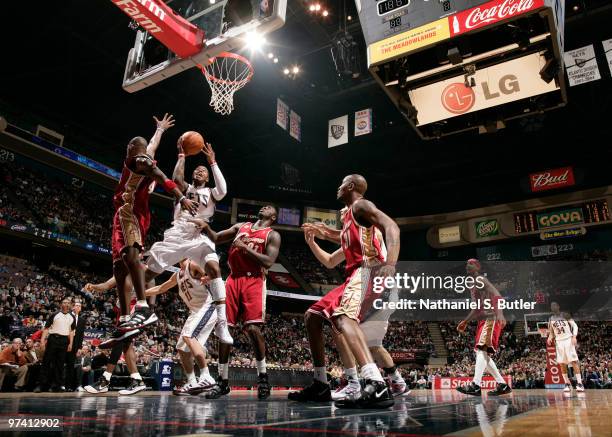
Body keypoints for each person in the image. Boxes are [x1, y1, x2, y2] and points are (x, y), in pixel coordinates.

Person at [288, 174, 399, 409]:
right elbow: (330, 261)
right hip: (353, 276)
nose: (337, 187)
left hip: (369, 271)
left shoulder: (361, 205)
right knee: (313, 316)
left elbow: (392, 226)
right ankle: (320, 383)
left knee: (343, 316)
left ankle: (376, 383)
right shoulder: (349, 221)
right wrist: (316, 239)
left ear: (350, 186)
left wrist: (391, 263)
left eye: (341, 184)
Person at [109, 113, 197, 336]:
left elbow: (162, 177)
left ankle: (142, 306)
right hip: (128, 214)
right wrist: (160, 130)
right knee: (119, 266)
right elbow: (152, 146)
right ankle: (126, 317)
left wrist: (181, 197)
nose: (127, 146)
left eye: (131, 144)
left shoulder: (138, 160)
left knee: (130, 257)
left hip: (130, 213)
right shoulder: (143, 157)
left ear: (133, 148)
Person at [302, 221, 409, 400]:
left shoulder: (367, 228)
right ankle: (395, 381)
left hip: (379, 285)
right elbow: (330, 261)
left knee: (345, 326)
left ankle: (357, 382)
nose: (345, 214)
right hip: (371, 287)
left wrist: (327, 232)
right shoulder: (352, 243)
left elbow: (368, 232)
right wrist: (313, 242)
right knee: (370, 342)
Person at [144, 140, 232, 345]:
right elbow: (175, 179)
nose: (200, 172)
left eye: (203, 171)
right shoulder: (185, 188)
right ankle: (136, 300)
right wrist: (182, 155)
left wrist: (212, 163)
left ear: (208, 177)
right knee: (150, 272)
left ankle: (222, 321)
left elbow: (224, 190)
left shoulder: (211, 192)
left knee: (213, 267)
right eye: (197, 170)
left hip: (199, 235)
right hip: (178, 234)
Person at [197, 205, 281, 400]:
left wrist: (244, 248)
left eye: (269, 207)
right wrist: (205, 227)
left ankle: (262, 378)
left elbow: (268, 261)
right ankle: (222, 381)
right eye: (264, 205)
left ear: (273, 216)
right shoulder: (240, 227)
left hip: (254, 280)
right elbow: (217, 238)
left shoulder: (272, 235)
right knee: (224, 328)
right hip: (233, 279)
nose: (264, 206)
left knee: (253, 329)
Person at [145, 258, 219, 396]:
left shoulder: (194, 264)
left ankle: (206, 376)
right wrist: (143, 293)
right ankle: (192, 381)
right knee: (181, 347)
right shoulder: (178, 274)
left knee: (189, 336)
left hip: (208, 306)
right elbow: (161, 288)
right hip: (195, 312)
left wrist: (208, 277)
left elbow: (215, 276)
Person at [456, 259, 512, 397]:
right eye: (466, 263)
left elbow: (497, 295)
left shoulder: (480, 279)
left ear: (477, 267)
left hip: (491, 318)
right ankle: (502, 384)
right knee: (483, 354)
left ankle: (476, 385)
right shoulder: (473, 285)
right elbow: (476, 309)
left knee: (481, 351)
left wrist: (500, 314)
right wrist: (465, 321)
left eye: (471, 263)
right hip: (483, 320)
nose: (467, 265)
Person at [34, 298, 76, 392]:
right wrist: (42, 341)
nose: (66, 304)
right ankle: (41, 385)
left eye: (68, 303)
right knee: (46, 362)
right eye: (64, 302)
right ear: (61, 304)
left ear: (70, 305)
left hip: (64, 341)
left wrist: (71, 344)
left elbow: (72, 331)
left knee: (60, 364)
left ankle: (57, 386)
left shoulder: (72, 317)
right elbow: (46, 328)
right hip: (53, 339)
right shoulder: (55, 314)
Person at [547, 301, 584, 392]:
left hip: (568, 339)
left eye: (555, 305)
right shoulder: (551, 319)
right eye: (551, 306)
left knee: (574, 361)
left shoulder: (565, 315)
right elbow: (551, 332)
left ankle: (580, 383)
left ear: (558, 306)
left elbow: (575, 326)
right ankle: (567, 383)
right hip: (559, 342)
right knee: (561, 363)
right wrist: (549, 337)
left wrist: (574, 336)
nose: (553, 307)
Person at [65, 299, 87, 391]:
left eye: (79, 306)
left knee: (71, 365)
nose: (78, 307)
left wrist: (79, 348)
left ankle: (69, 386)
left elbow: (81, 335)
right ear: (73, 307)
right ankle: (60, 384)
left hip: (75, 346)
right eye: (76, 305)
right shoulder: (67, 316)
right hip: (65, 344)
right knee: (63, 365)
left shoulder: (82, 320)